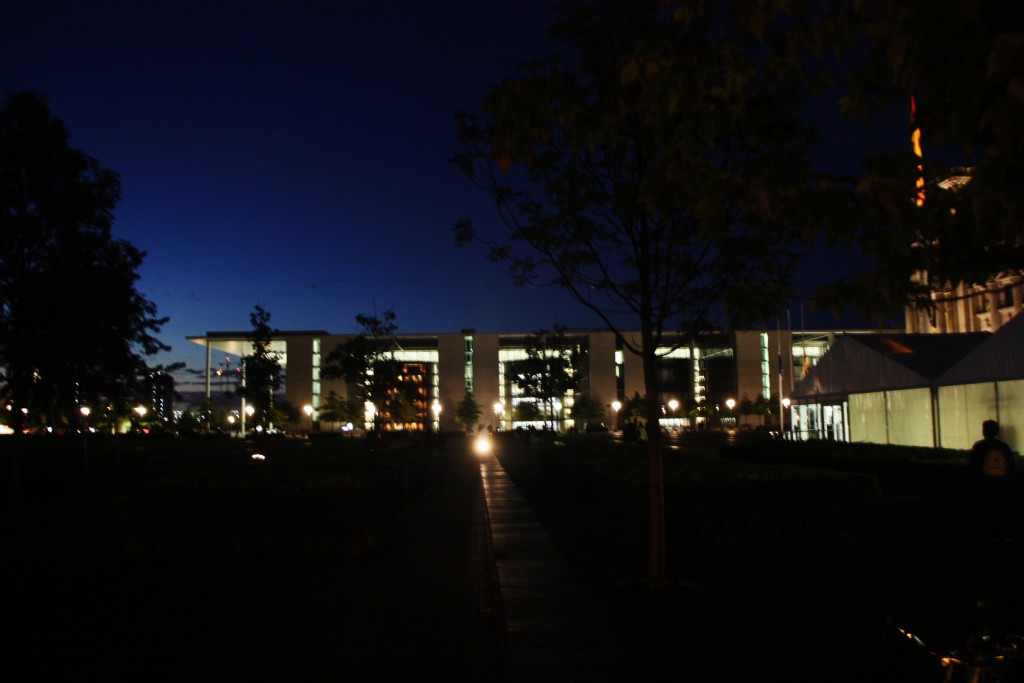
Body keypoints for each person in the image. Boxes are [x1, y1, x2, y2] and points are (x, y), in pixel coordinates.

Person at [969, 420, 1017, 541]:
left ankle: (990, 535)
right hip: (1001, 484)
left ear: (984, 431)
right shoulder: (1003, 446)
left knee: (988, 510)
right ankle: (1004, 535)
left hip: (986, 483)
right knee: (1002, 509)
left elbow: (974, 466)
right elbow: (1012, 464)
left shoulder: (979, 446)